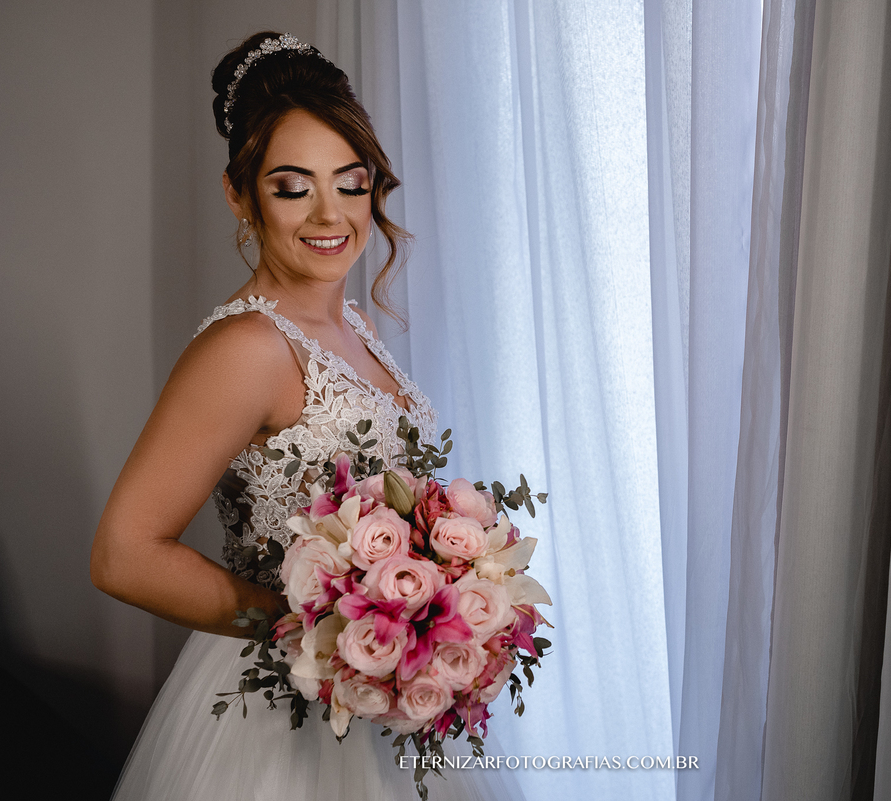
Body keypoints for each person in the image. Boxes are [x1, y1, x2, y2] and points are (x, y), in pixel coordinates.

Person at [90, 31, 525, 801]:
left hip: (381, 705)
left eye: (350, 183)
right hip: (282, 722)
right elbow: (124, 553)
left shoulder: (351, 324)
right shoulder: (246, 347)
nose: (331, 213)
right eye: (293, 186)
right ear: (240, 193)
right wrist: (323, 634)